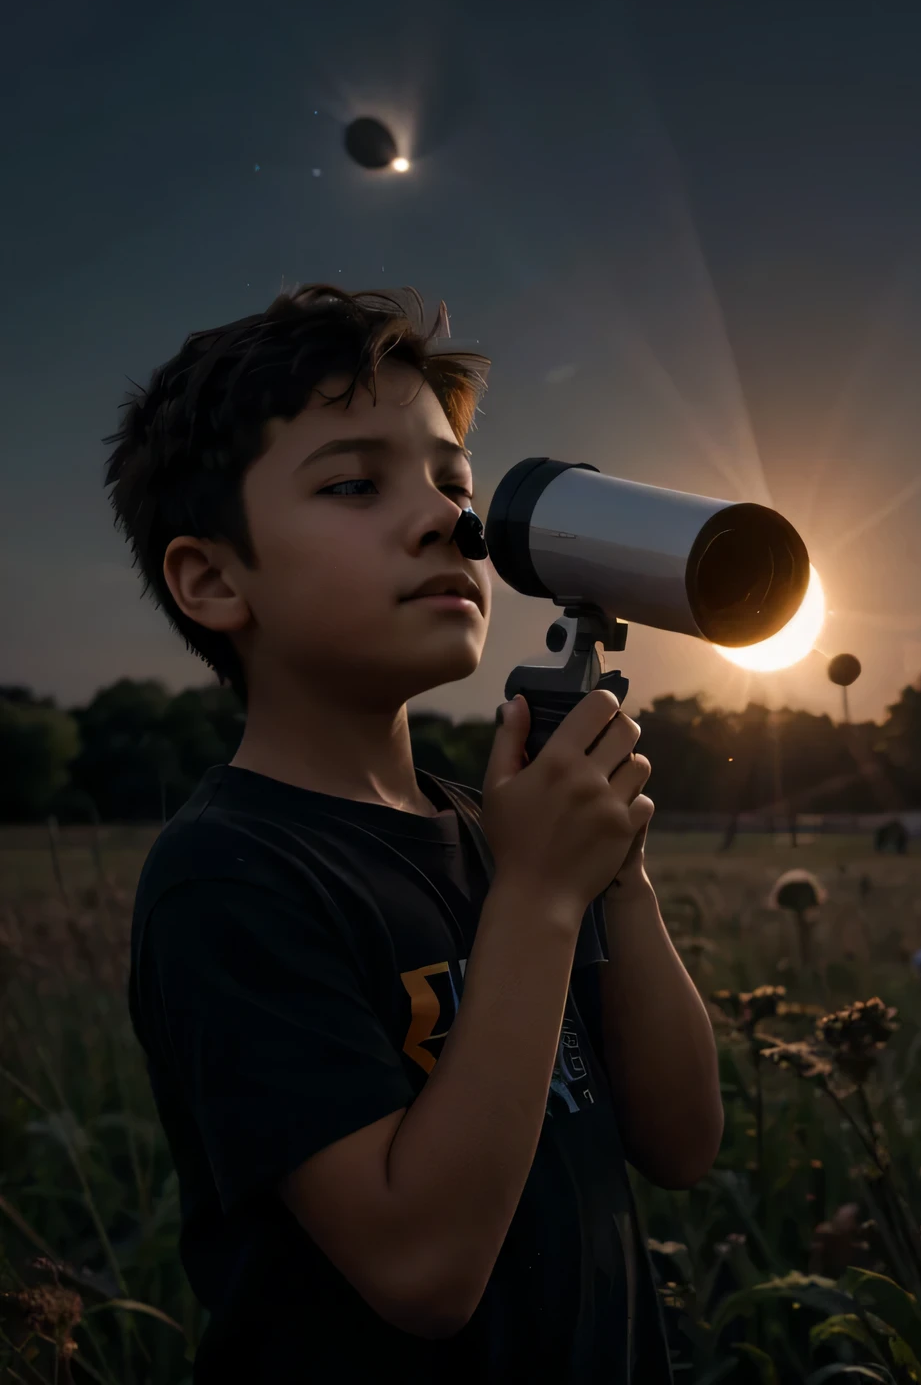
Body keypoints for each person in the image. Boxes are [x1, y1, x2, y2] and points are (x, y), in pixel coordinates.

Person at [105, 283, 723, 1383]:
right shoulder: (229, 879)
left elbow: (679, 1140)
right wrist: (535, 900)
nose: (447, 518)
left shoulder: (500, 826)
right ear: (211, 578)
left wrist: (609, 874)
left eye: (455, 485)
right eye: (354, 484)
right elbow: (424, 1271)